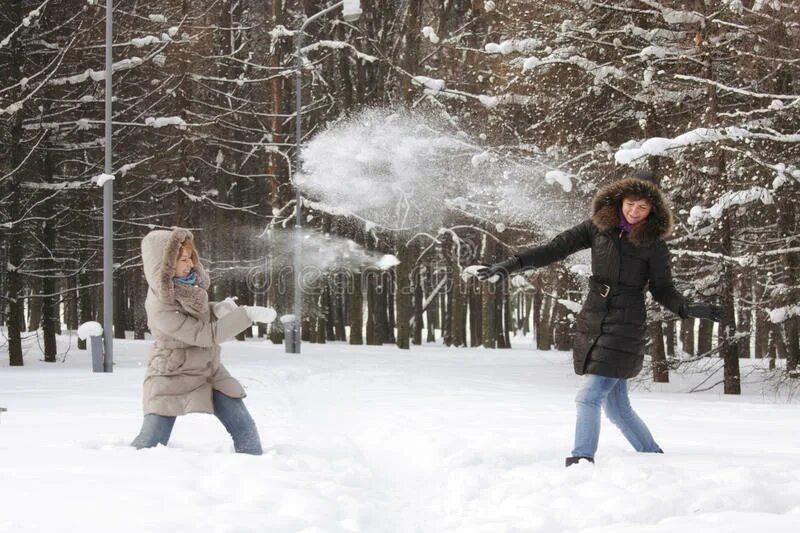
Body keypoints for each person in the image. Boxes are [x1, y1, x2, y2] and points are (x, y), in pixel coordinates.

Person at [476, 172, 721, 466]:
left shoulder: (653, 245)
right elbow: (555, 248)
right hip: (594, 317)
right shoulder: (597, 227)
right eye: (631, 203)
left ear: (652, 210)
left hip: (626, 324)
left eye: (643, 207)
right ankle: (652, 456)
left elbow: (662, 289)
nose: (634, 211)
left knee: (588, 397)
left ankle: (581, 458)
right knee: (618, 409)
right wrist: (512, 264)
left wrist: (686, 308)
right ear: (621, 201)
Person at [131, 227, 276, 454]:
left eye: (191, 257)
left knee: (245, 428)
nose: (190, 263)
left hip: (208, 371)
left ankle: (257, 473)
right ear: (164, 265)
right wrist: (246, 315)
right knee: (151, 440)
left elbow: (194, 316)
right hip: (172, 375)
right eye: (183, 259)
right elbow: (204, 335)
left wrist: (216, 309)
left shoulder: (186, 288)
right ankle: (123, 472)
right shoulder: (159, 305)